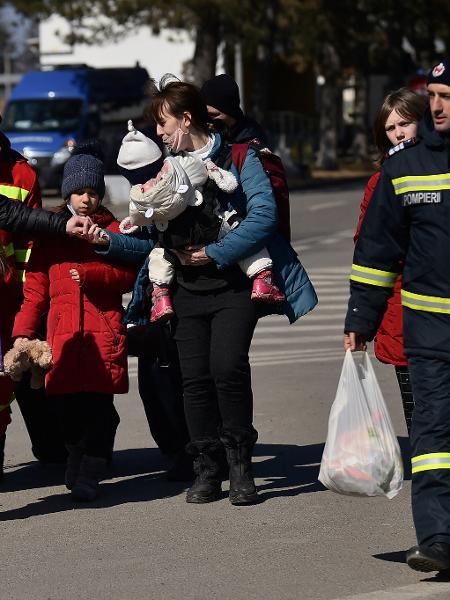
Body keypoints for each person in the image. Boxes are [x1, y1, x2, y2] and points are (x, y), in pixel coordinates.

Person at [145, 77, 317, 505]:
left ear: (187, 119)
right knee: (195, 380)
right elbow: (151, 234)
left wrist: (215, 252)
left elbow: (264, 217)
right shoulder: (165, 166)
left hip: (234, 286)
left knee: (227, 369)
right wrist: (107, 240)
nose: (159, 134)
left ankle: (241, 465)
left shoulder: (241, 156)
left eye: (164, 124)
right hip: (186, 290)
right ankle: (207, 467)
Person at [344, 57, 450, 573]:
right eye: (432, 95)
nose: (437, 105)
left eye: (446, 95)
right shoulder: (404, 168)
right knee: (431, 440)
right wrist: (360, 319)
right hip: (429, 332)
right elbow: (376, 250)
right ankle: (437, 538)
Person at [12, 147, 136, 501]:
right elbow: (34, 290)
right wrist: (22, 333)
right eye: (80, 192)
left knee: (98, 406)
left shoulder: (111, 229)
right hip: (63, 337)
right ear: (68, 193)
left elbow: (127, 275)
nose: (86, 199)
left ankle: (92, 468)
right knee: (65, 407)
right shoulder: (52, 234)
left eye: (93, 193)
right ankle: (77, 458)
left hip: (104, 333)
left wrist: (91, 274)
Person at [117, 120, 285, 323]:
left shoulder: (140, 193)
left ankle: (161, 296)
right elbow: (224, 181)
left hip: (175, 240)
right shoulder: (179, 166)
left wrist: (127, 226)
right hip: (210, 227)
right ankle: (262, 278)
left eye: (162, 122)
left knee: (159, 257)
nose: (159, 131)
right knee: (237, 228)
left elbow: (138, 219)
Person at [352, 88, 425, 435]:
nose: (398, 133)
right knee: (418, 414)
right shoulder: (380, 183)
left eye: (405, 124)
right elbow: (369, 252)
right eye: (390, 127)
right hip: (401, 311)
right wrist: (360, 319)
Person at [200, 73, 269, 145]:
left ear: (230, 113)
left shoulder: (251, 138)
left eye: (213, 115)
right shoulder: (202, 131)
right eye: (202, 113)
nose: (207, 120)